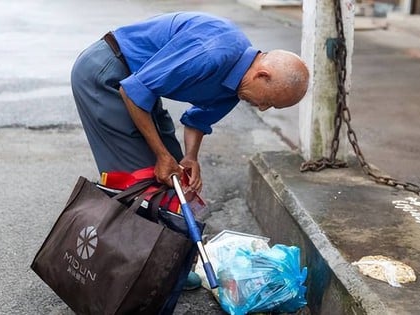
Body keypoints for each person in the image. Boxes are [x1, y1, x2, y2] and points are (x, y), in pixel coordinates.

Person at [71, 11, 309, 314]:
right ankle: (118, 269)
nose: (262, 107)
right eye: (268, 100)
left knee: (175, 179)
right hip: (105, 73)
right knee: (139, 177)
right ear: (263, 75)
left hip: (140, 85)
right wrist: (160, 156)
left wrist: (189, 156)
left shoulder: (238, 87)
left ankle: (160, 262)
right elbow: (132, 91)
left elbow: (197, 119)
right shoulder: (213, 52)